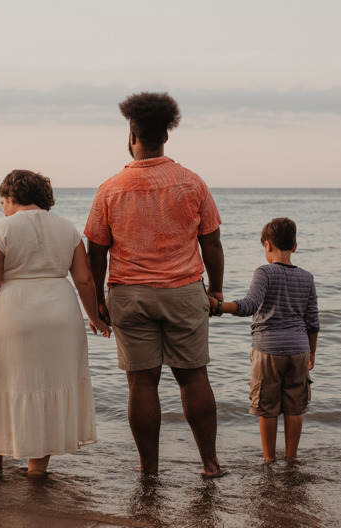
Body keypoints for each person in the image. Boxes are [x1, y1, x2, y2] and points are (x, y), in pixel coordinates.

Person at [84, 92, 225, 477]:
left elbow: (95, 251)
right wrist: (215, 290)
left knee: (141, 384)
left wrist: (96, 300)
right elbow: (211, 241)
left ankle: (149, 469)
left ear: (132, 135)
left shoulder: (110, 188)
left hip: (129, 295)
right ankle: (210, 464)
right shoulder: (192, 182)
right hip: (183, 291)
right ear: (166, 136)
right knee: (194, 377)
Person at [0, 169, 111, 475]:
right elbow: (85, 281)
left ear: (10, 197)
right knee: (49, 386)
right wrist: (95, 318)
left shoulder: (0, 229)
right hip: (61, 317)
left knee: (0, 385)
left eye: (2, 201)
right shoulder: (67, 228)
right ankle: (36, 471)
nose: (2, 207)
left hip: (13, 316)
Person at [210, 217, 319, 463]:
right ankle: (291, 459)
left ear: (267, 245)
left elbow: (249, 306)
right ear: (295, 246)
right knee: (294, 408)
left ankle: (269, 460)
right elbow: (312, 321)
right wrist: (311, 352)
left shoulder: (265, 272)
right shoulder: (307, 277)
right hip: (299, 349)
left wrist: (218, 306)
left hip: (268, 349)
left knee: (267, 408)